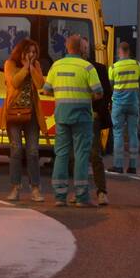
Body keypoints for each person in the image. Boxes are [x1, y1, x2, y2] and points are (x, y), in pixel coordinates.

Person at [42, 34, 103, 207]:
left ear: (67, 47)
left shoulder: (57, 65)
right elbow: (98, 92)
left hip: (61, 116)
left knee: (61, 154)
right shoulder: (87, 67)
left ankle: (60, 196)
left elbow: (46, 90)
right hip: (82, 117)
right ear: (81, 48)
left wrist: (61, 94)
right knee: (81, 155)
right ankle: (81, 197)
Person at [0, 38, 46, 202]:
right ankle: (15, 188)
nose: (32, 55)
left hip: (31, 115)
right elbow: (15, 82)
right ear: (22, 51)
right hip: (14, 113)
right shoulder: (10, 64)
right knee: (16, 150)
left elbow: (40, 84)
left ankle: (35, 189)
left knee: (33, 151)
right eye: (29, 52)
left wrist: (32, 68)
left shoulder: (36, 65)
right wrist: (25, 67)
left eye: (34, 52)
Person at [80, 36, 112, 206]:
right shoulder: (72, 68)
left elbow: (106, 93)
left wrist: (96, 111)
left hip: (92, 117)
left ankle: (102, 192)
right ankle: (80, 191)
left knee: (94, 155)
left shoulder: (99, 69)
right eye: (81, 47)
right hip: (76, 117)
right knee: (77, 157)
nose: (83, 50)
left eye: (85, 47)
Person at [108, 42, 140, 174]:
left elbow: (111, 84)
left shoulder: (113, 67)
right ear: (129, 51)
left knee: (118, 134)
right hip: (133, 103)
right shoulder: (136, 65)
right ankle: (133, 166)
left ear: (119, 52)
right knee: (133, 133)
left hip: (118, 104)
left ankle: (118, 165)